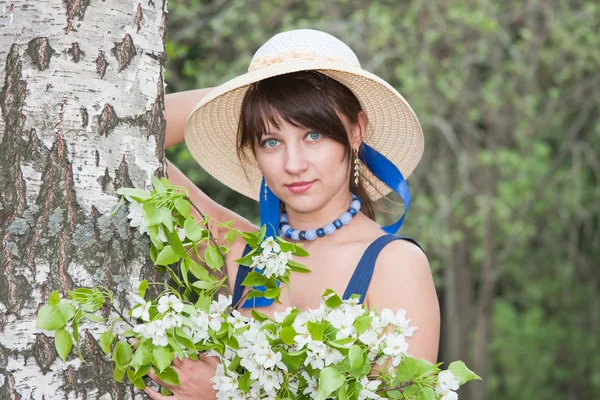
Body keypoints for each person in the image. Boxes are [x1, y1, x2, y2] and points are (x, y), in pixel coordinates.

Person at [143, 29, 440, 400]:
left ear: (356, 130)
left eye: (313, 135)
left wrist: (227, 393)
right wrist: (244, 93)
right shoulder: (239, 251)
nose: (294, 164)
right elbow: (134, 126)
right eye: (271, 141)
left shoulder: (394, 265)